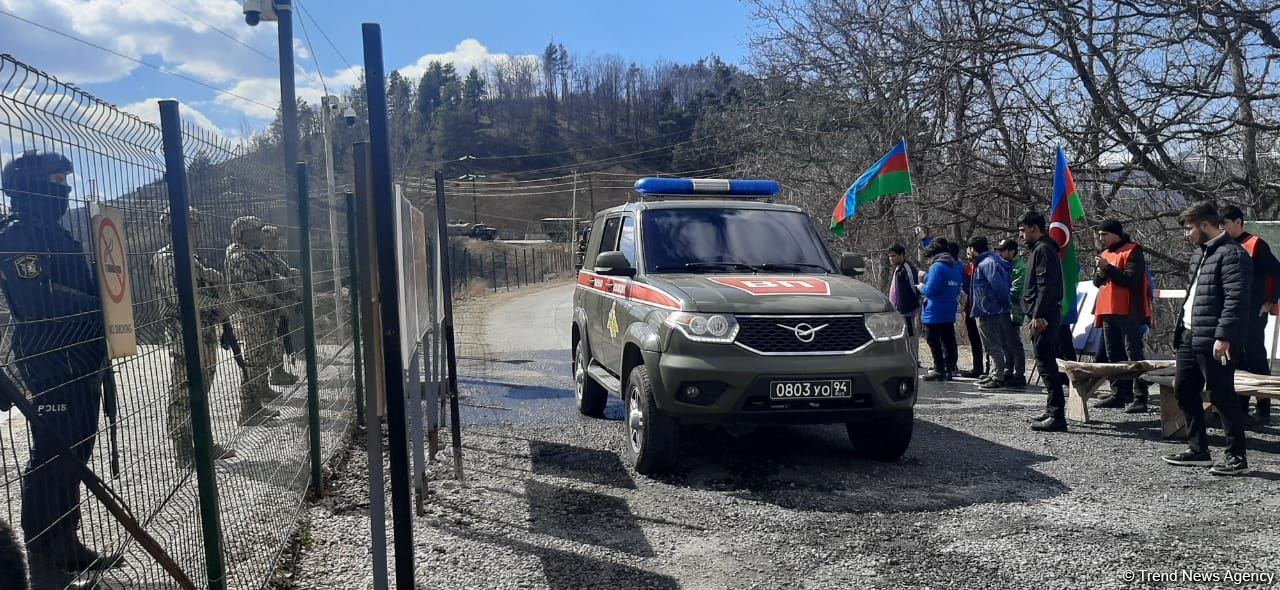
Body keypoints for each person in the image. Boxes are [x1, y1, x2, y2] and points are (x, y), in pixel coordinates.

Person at [0, 150, 119, 587]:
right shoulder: (17, 236)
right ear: (29, 185)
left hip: (81, 354)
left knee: (76, 450)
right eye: (53, 180)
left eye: (64, 180)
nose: (63, 188)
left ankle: (65, 542)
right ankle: (43, 555)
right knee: (53, 453)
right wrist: (99, 308)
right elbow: (36, 299)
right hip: (49, 358)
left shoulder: (57, 234)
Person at [1163, 202, 1252, 476]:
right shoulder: (1199, 254)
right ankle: (1198, 449)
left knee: (1222, 395)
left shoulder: (1233, 255)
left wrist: (1224, 336)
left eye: (1190, 228)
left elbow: (1236, 300)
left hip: (1214, 339)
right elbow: (1195, 297)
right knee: (1184, 389)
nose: (1187, 234)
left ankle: (1237, 457)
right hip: (1191, 335)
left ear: (1205, 225)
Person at [152, 208, 237, 467]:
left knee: (201, 386)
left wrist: (216, 291)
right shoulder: (167, 258)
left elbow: (204, 288)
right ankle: (183, 447)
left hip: (204, 329)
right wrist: (216, 304)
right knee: (185, 387)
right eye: (190, 225)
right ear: (173, 227)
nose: (194, 230)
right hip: (183, 331)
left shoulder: (191, 258)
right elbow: (180, 297)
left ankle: (200, 439)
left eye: (196, 225)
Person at [226, 216, 288, 425]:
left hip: (264, 312)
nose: (261, 233)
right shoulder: (240, 257)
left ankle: (258, 398)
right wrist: (275, 300)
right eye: (256, 230)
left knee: (262, 357)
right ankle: (248, 410)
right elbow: (249, 287)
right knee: (253, 360)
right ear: (244, 234)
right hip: (251, 314)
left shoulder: (256, 255)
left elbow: (270, 277)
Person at [1221, 204, 1277, 425]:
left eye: (1225, 224)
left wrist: (1270, 301)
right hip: (1233, 311)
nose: (1223, 228)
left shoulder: (1256, 244)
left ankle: (1263, 408)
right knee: (1236, 358)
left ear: (1238, 222)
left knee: (1255, 358)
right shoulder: (1225, 245)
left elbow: (1277, 272)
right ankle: (1240, 407)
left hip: (1254, 310)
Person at [1090, 219, 1153, 413]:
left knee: (1133, 353)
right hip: (1108, 310)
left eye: (1105, 234)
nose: (1101, 238)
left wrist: (1109, 268)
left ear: (1116, 234)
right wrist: (1101, 270)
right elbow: (1096, 282)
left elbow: (1131, 280)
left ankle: (1140, 396)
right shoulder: (1105, 254)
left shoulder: (1133, 250)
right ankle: (1119, 393)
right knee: (1113, 354)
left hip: (1128, 310)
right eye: (1100, 235)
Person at [1019, 212, 1068, 432]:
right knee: (1044, 362)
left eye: (1023, 229)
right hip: (1041, 312)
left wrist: (1038, 315)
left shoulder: (1044, 250)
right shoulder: (1040, 250)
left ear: (1035, 228)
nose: (1021, 234)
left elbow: (1045, 286)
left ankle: (1057, 415)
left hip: (1045, 315)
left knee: (1046, 363)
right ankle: (1051, 410)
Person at [968, 237, 1014, 389]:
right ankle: (993, 372)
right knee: (991, 345)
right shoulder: (986, 262)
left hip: (989, 310)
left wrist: (1005, 305)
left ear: (973, 249)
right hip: (988, 310)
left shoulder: (987, 263)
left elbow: (999, 287)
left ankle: (998, 376)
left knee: (993, 345)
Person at [260, 225, 300, 387]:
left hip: (280, 303)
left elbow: (285, 274)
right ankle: (274, 374)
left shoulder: (276, 257)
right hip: (269, 305)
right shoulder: (262, 258)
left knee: (281, 338)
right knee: (274, 342)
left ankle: (279, 371)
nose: (276, 241)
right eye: (272, 238)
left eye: (276, 238)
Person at [919, 239, 963, 381]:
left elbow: (932, 289)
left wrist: (920, 287)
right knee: (948, 340)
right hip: (949, 309)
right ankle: (949, 368)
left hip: (934, 311)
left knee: (933, 339)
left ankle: (938, 369)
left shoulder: (937, 266)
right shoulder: (954, 266)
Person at [997, 239, 1027, 387]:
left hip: (1014, 310)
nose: (1000, 253)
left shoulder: (1020, 268)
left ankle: (1019, 373)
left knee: (1014, 342)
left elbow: (1016, 293)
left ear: (1012, 251)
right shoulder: (1005, 266)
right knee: (1004, 342)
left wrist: (1000, 294)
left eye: (1003, 250)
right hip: (1003, 309)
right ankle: (1008, 371)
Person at [887, 244, 921, 358]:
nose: (891, 258)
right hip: (898, 309)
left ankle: (914, 358)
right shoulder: (898, 268)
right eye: (890, 256)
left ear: (902, 255)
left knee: (910, 334)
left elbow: (914, 287)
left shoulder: (906, 268)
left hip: (907, 309)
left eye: (894, 256)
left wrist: (910, 304)